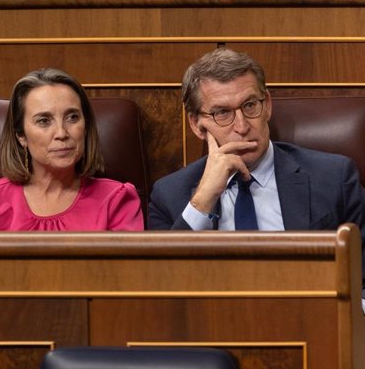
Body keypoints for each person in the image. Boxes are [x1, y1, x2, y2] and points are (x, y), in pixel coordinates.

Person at [147, 48, 365, 296]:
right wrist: (203, 200)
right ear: (197, 125)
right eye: (222, 113)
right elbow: (160, 290)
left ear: (268, 105)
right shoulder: (169, 196)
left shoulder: (333, 177)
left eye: (250, 105)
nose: (242, 127)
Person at [0, 68, 143, 231]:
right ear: (21, 135)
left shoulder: (116, 201)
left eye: (73, 117)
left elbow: (128, 274)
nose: (61, 133)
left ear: (86, 127)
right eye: (44, 121)